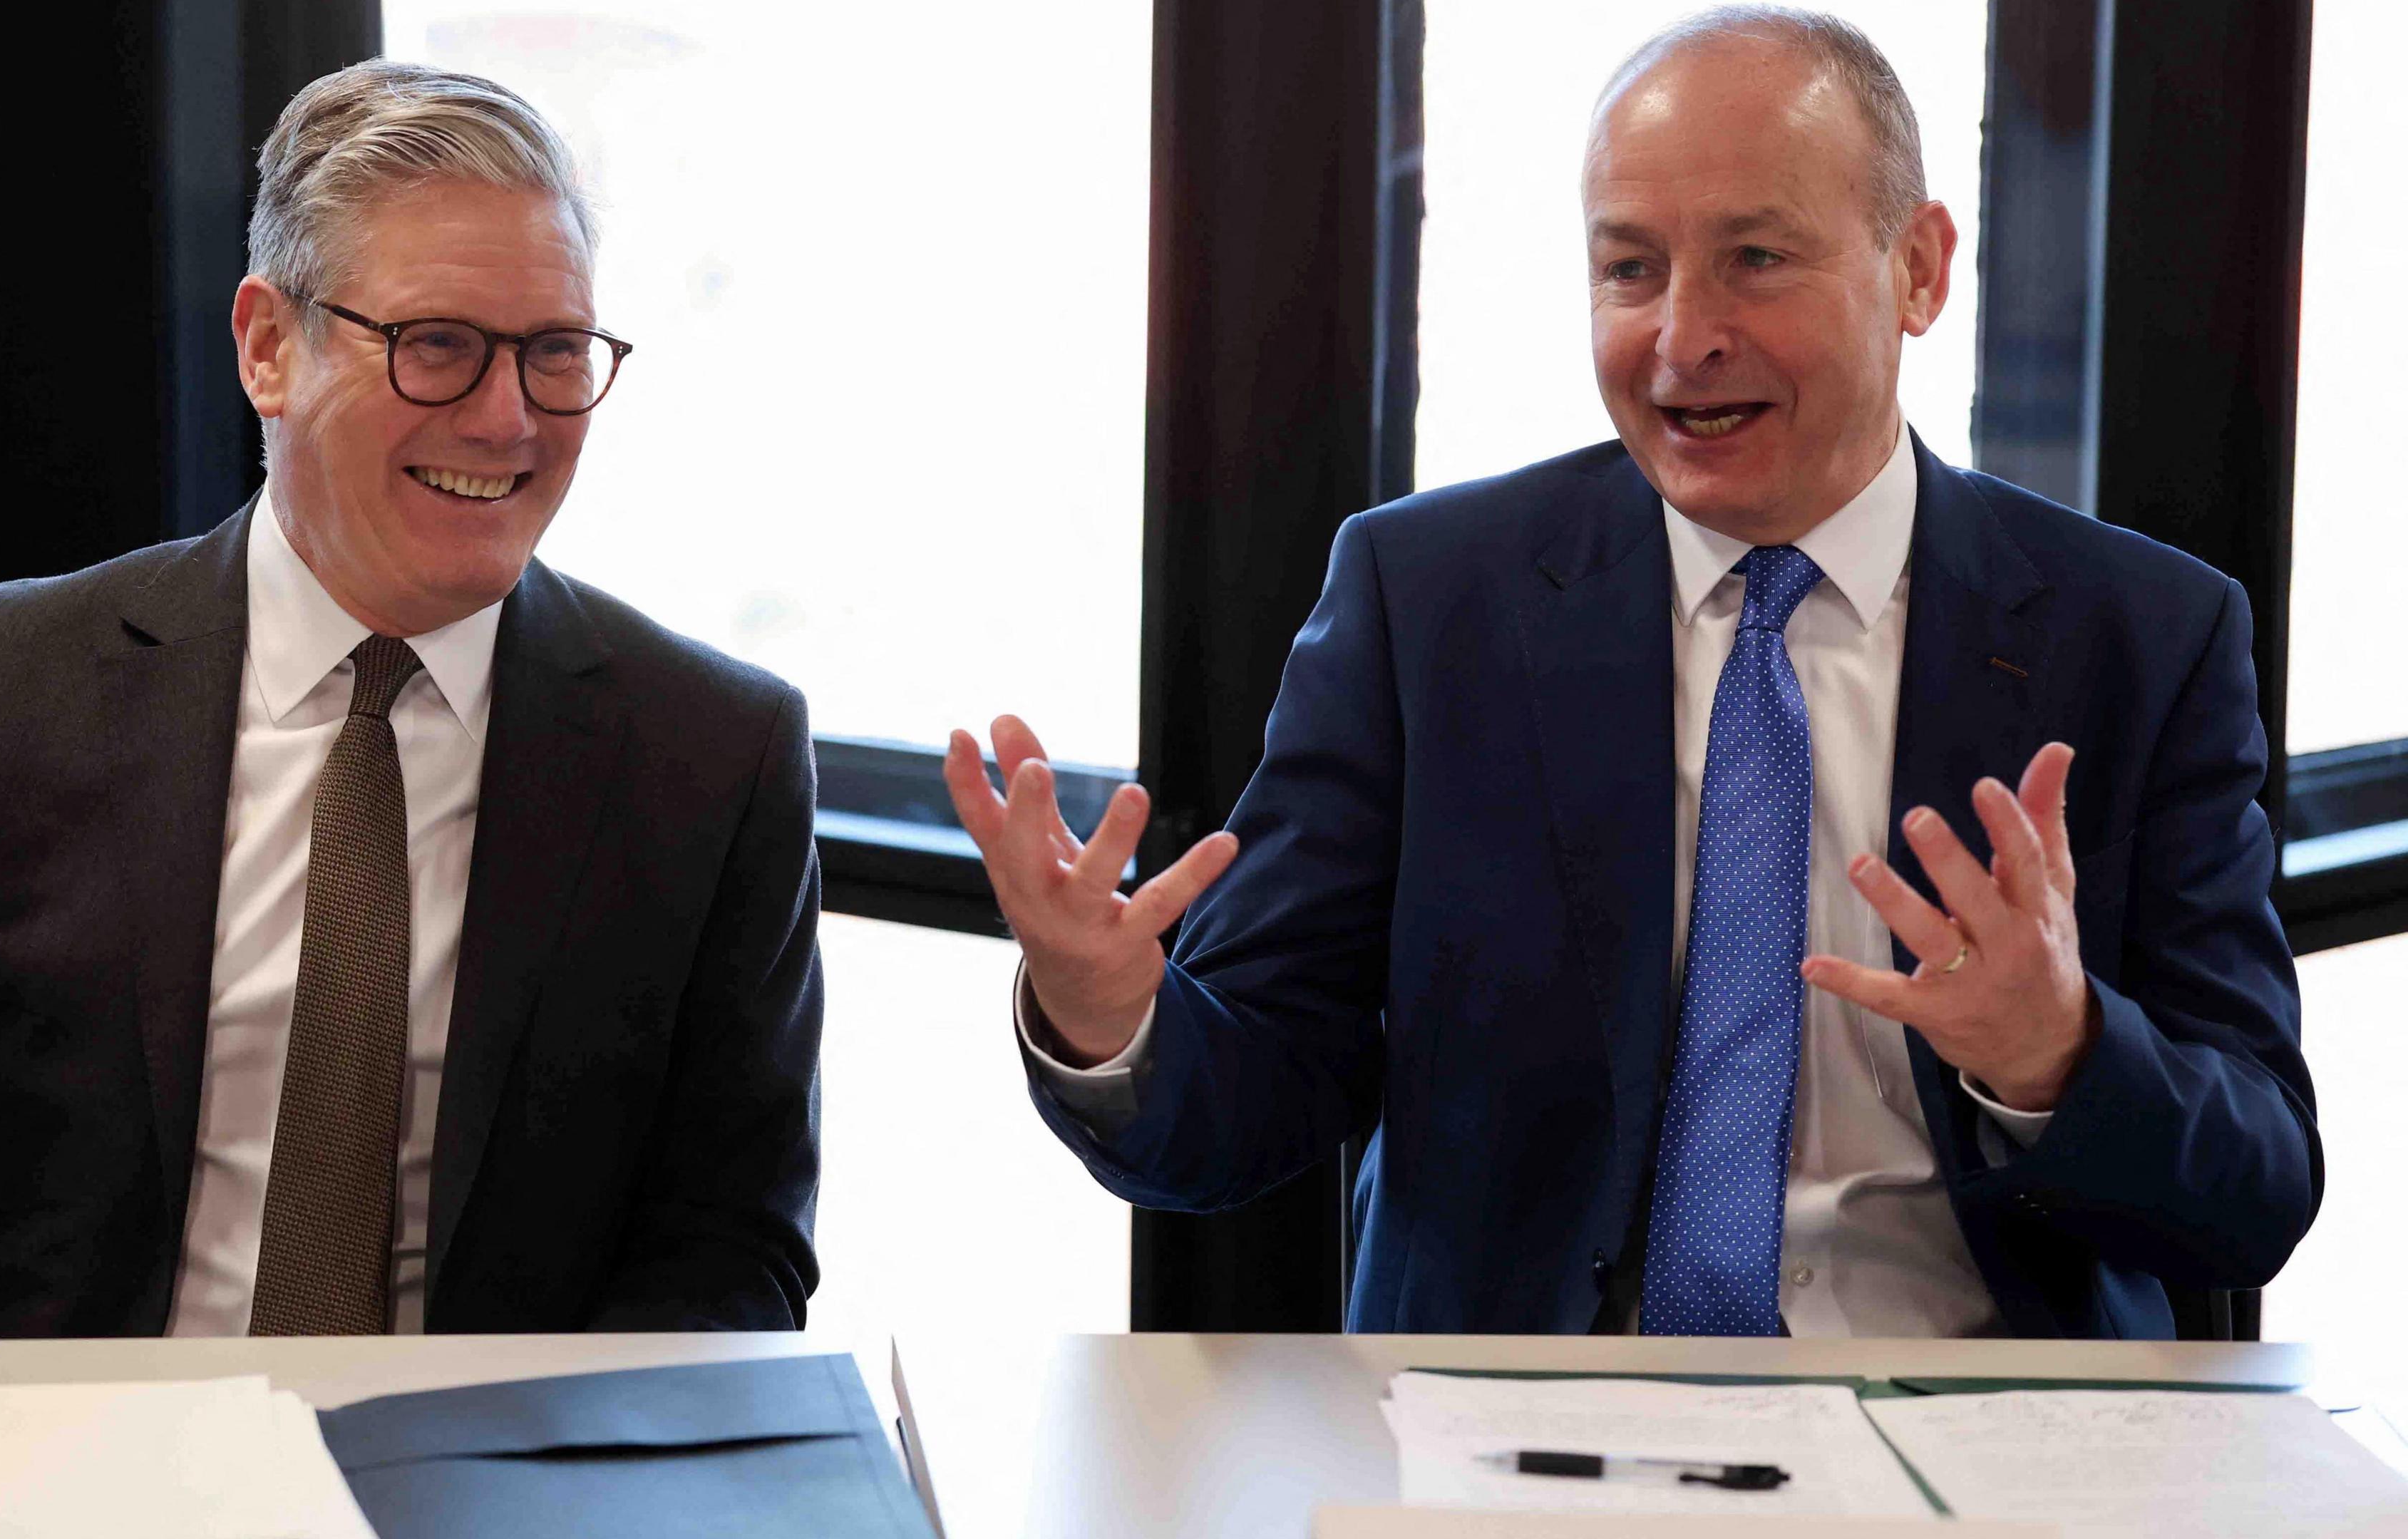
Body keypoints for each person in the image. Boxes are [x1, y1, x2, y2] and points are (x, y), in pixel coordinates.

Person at [948, 5, 2318, 1337]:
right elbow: (1247, 1108)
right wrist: (1110, 1015)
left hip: (1971, 1434)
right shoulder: (1429, 604)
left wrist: (2057, 1056)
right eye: (1629, 269)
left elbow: (2256, 1194)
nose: (1680, 337)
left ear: (1919, 268)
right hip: (1518, 1431)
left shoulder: (2145, 636)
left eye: (1756, 260)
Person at [0, 61, 822, 1339]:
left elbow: (732, 1254)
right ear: (269, 347)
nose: (509, 419)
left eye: (556, 353)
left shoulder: (712, 758)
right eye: (437, 346)